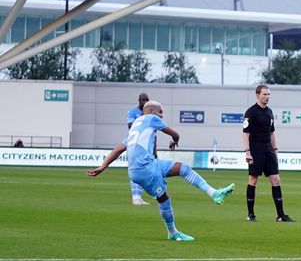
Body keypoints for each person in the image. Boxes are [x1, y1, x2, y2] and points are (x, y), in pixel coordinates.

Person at [88, 101, 235, 241]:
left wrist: (103, 166)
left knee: (183, 168)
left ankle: (214, 193)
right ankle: (173, 233)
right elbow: (175, 134)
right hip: (145, 169)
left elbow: (119, 148)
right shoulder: (151, 118)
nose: (162, 115)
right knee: (163, 199)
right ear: (151, 111)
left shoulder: (135, 127)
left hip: (146, 166)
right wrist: (175, 141)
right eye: (160, 112)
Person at [242, 84, 294, 222]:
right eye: (265, 94)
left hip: (268, 149)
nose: (267, 97)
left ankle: (281, 215)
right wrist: (247, 152)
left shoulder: (270, 112)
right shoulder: (251, 112)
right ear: (257, 95)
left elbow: (272, 132)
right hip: (255, 149)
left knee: (276, 179)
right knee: (253, 180)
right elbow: (245, 134)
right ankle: (251, 214)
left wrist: (275, 149)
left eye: (269, 94)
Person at [126, 92, 150, 205]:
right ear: (139, 100)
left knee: (144, 170)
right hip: (134, 143)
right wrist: (142, 117)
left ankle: (139, 197)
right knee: (135, 168)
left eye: (147, 100)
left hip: (145, 144)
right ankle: (135, 197)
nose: (145, 102)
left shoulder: (150, 114)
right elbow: (130, 126)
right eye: (143, 100)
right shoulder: (133, 112)